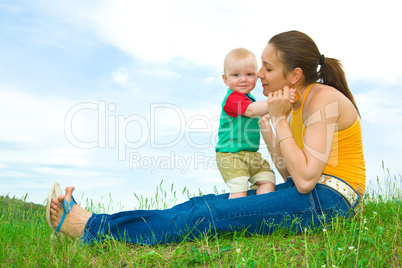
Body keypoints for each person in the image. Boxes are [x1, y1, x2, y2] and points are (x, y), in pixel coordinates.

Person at [47, 30, 365, 245]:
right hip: (313, 196)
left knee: (210, 216)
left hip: (331, 201)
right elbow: (290, 174)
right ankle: (96, 224)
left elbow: (307, 181)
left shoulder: (323, 99)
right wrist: (271, 124)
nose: (259, 77)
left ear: (294, 75)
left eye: (267, 68)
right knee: (204, 203)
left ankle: (90, 228)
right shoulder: (290, 105)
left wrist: (278, 119)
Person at [216, 48, 295, 199]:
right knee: (239, 186)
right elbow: (252, 111)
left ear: (256, 77)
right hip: (231, 155)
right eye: (236, 75)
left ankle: (260, 205)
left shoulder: (249, 99)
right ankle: (235, 216)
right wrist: (278, 100)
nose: (243, 79)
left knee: (267, 179)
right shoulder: (232, 99)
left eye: (249, 74)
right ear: (225, 79)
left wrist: (283, 106)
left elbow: (263, 112)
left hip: (251, 154)